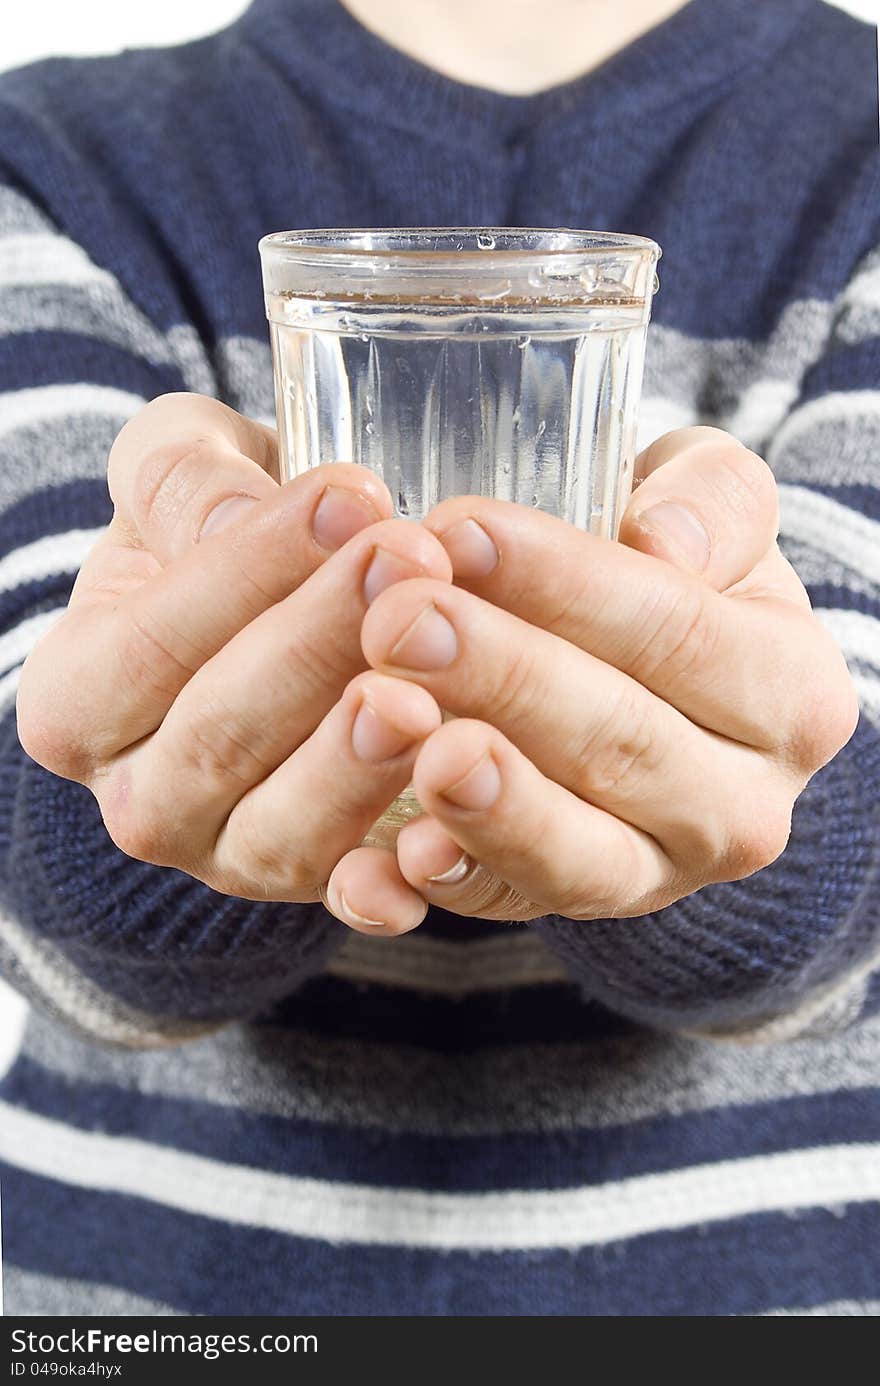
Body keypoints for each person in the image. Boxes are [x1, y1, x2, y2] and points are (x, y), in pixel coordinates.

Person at [0, 0, 877, 1318]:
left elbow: (856, 890)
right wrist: (151, 790)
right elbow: (38, 873)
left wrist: (720, 812)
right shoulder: (50, 158)